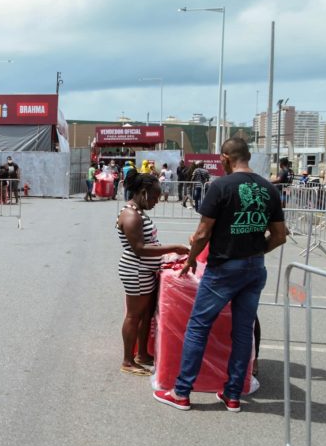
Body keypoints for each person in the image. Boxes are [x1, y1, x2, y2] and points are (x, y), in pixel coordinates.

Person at [154, 138, 287, 412]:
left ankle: (181, 392)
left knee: (198, 327)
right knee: (242, 332)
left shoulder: (221, 186)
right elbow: (280, 236)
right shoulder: (268, 189)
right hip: (254, 268)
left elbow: (202, 234)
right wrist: (255, 248)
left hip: (224, 268)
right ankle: (233, 394)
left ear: (225, 157)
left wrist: (190, 261)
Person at [117, 170, 189, 376]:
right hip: (136, 271)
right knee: (134, 316)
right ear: (143, 192)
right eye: (155, 196)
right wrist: (173, 248)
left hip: (144, 271)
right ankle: (128, 360)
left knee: (146, 314)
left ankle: (142, 354)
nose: (158, 201)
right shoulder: (131, 215)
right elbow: (139, 248)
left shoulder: (138, 212)